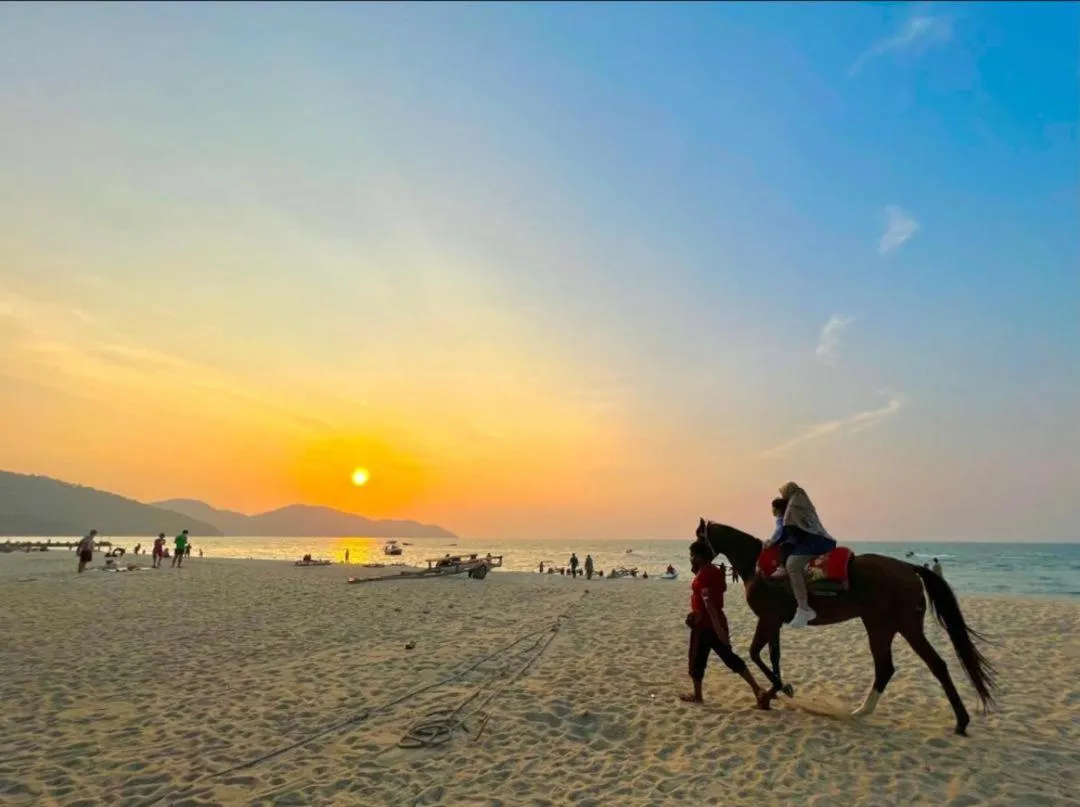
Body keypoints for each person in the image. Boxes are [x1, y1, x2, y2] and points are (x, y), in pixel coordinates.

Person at [681, 540, 766, 706]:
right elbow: (719, 592)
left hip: (705, 625)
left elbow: (708, 602)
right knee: (730, 658)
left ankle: (698, 696)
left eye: (692, 556)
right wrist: (720, 627)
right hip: (718, 620)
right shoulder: (717, 572)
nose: (691, 558)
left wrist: (718, 629)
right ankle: (757, 689)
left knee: (696, 660)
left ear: (699, 557)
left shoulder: (704, 575)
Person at [773, 482, 837, 629]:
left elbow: (790, 532)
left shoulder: (792, 506)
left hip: (815, 543)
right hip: (824, 540)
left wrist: (773, 542)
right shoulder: (804, 502)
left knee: (792, 565)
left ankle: (803, 608)